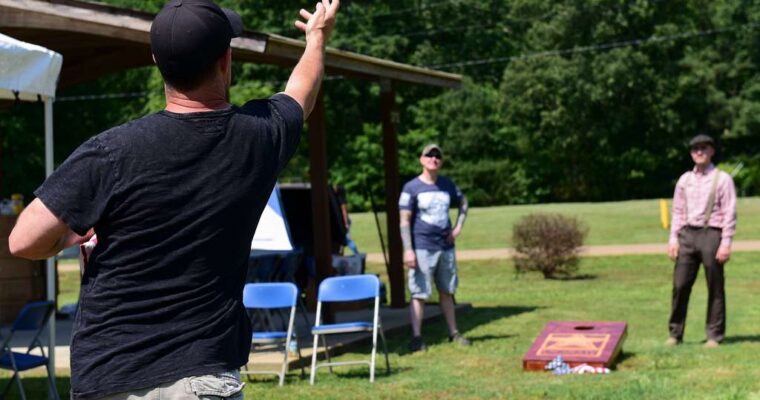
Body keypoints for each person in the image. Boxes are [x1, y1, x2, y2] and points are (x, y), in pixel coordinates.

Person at [9, 0, 339, 398]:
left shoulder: (111, 152)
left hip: (111, 375)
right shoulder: (259, 137)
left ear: (157, 62)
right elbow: (300, 93)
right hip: (203, 377)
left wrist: (69, 239)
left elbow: (23, 241)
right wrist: (316, 39)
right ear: (226, 60)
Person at [666, 134, 736, 349]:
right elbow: (677, 211)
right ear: (691, 153)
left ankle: (714, 335)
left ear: (711, 151)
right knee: (680, 285)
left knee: (715, 286)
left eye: (704, 148)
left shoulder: (722, 179)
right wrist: (673, 239)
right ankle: (675, 334)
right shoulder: (684, 180)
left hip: (711, 234)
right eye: (695, 149)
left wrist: (725, 243)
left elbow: (729, 212)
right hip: (687, 235)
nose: (699, 152)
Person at [399, 144, 470, 352]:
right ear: (421, 159)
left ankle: (453, 332)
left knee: (447, 290)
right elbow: (404, 220)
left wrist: (458, 227)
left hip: (446, 247)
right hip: (422, 247)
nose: (433, 158)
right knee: (419, 292)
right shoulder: (411, 188)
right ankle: (417, 337)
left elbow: (464, 203)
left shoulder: (447, 185)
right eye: (429, 155)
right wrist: (408, 249)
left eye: (437, 155)